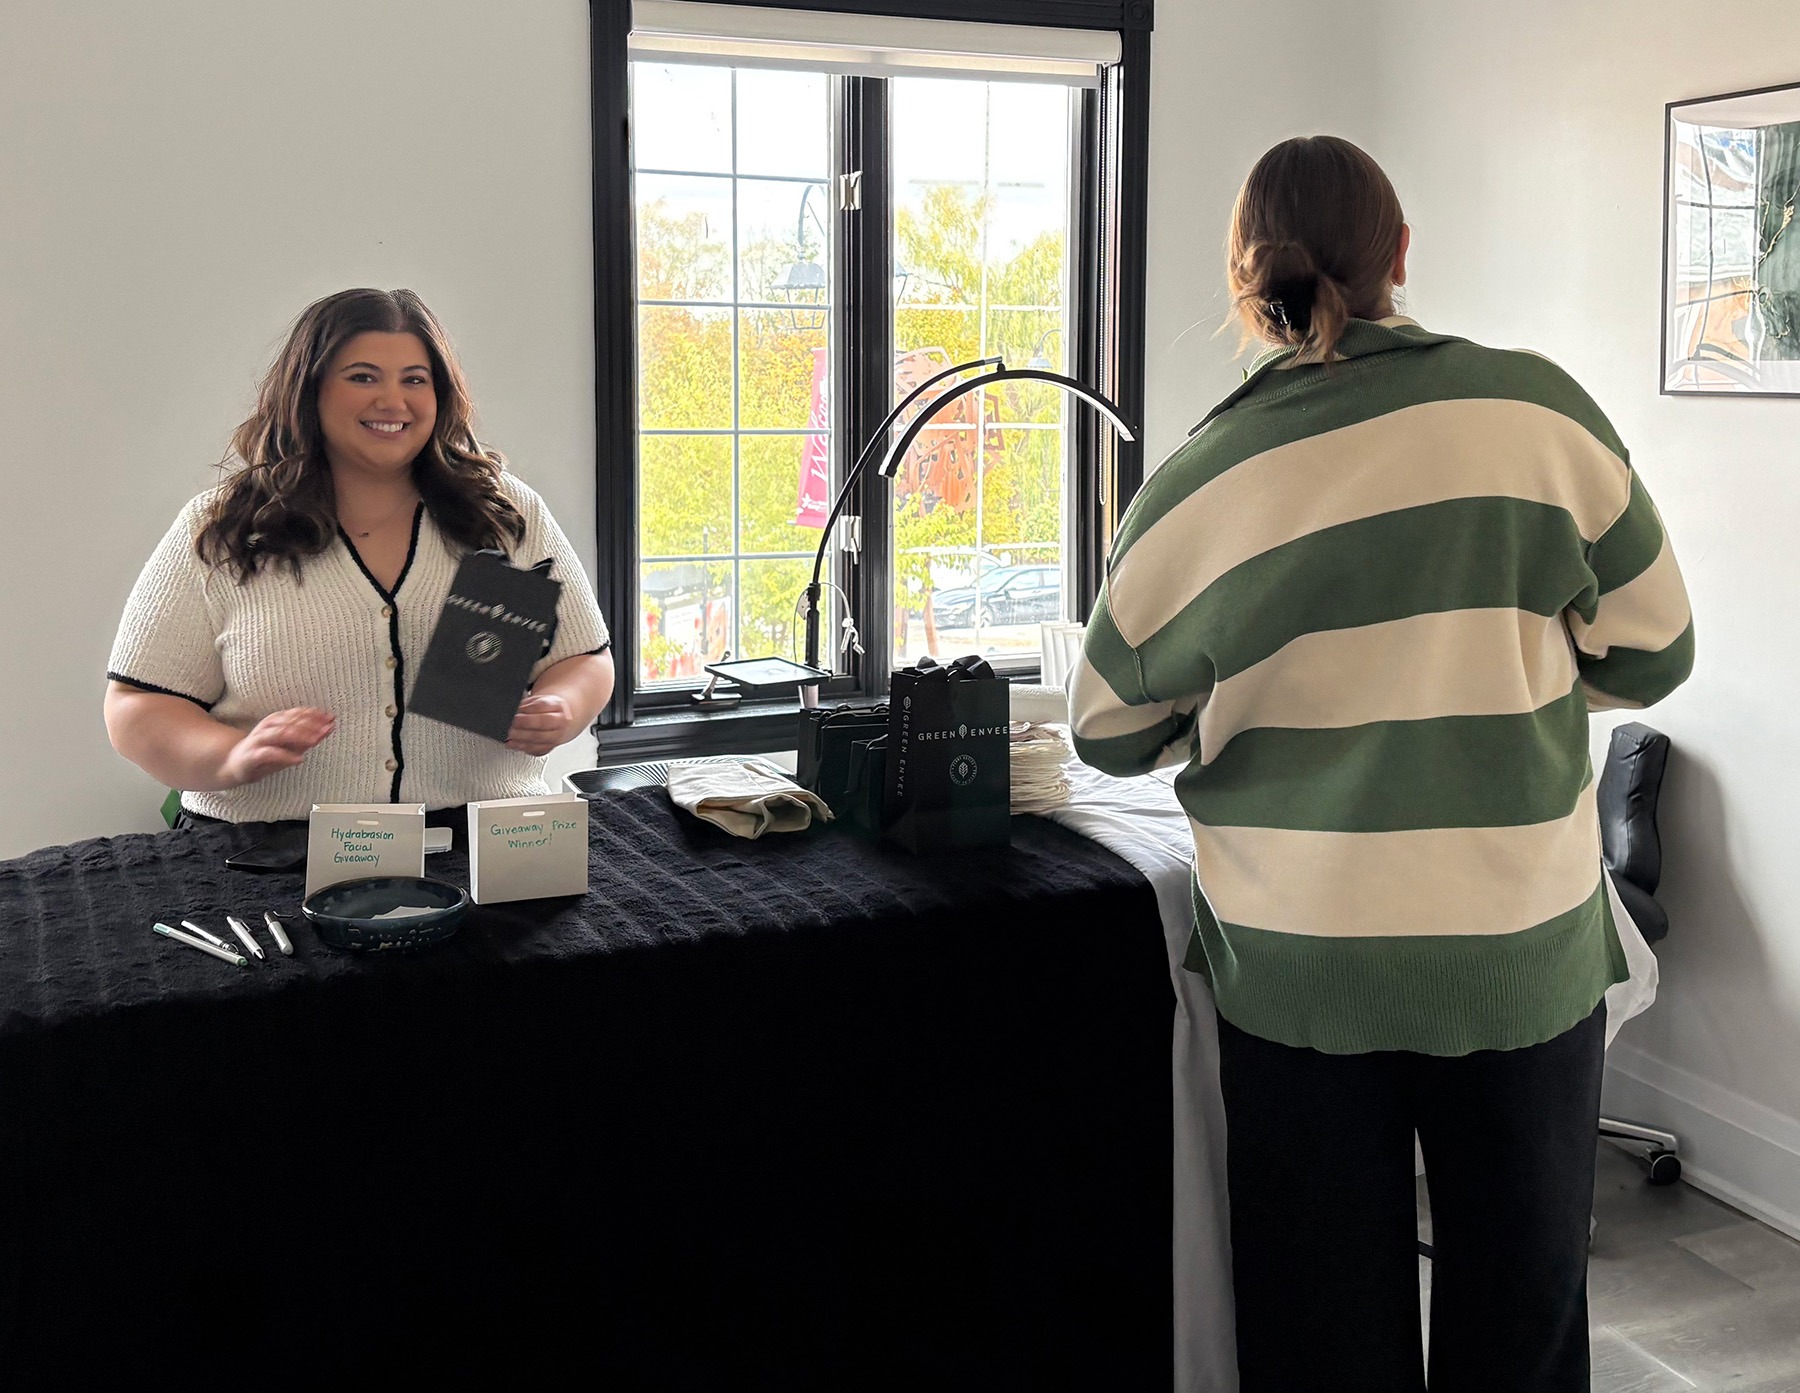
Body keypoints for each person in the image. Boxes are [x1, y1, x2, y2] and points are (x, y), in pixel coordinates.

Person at [1071, 137, 1694, 1392]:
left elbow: (1107, 731)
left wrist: (1246, 698)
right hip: (1517, 952)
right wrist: (1506, 668)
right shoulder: (1534, 413)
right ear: (1401, 252)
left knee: (1322, 1340)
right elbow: (1656, 650)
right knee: (1520, 1334)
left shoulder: (1200, 480)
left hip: (1299, 971)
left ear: (1246, 281)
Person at [105, 288, 613, 825]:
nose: (393, 401)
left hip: (482, 844)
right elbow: (138, 702)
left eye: (414, 380)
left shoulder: (506, 512)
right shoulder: (224, 528)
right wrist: (229, 756)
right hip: (265, 848)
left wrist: (562, 707)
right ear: (310, 391)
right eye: (363, 377)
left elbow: (584, 657)